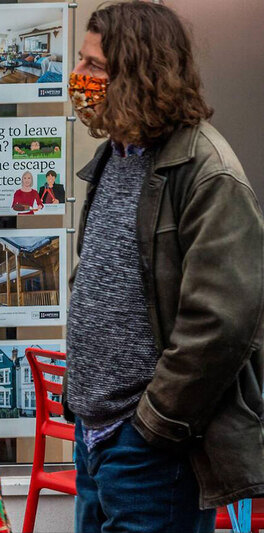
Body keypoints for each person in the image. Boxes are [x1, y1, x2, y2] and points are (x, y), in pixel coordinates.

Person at [65, 3, 264, 533]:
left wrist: (153, 424)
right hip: (95, 438)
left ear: (139, 73)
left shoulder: (206, 170)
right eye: (82, 62)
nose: (80, 78)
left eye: (96, 67)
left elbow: (221, 324)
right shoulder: (116, 156)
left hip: (149, 451)